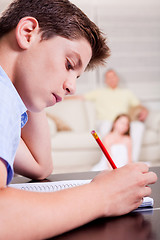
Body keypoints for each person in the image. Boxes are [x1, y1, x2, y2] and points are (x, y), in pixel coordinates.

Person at [0, 0, 157, 239]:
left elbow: (41, 165)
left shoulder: (9, 99)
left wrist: (31, 86)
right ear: (28, 32)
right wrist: (103, 195)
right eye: (68, 64)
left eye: (77, 76)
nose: (71, 87)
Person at [85, 69, 149, 162]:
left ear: (117, 78)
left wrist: (145, 111)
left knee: (139, 126)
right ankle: (109, 162)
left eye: (113, 76)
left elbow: (138, 105)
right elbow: (79, 97)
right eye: (108, 77)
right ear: (105, 81)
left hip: (123, 122)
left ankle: (131, 162)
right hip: (106, 122)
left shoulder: (126, 92)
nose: (111, 79)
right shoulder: (98, 92)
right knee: (106, 127)